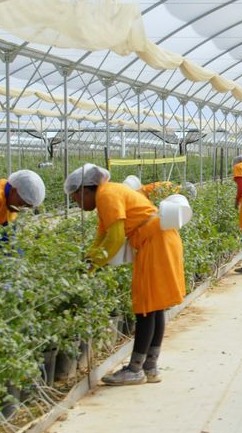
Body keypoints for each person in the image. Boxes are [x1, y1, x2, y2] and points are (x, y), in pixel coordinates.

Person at [65, 164, 185, 386]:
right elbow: (102, 235)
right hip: (159, 240)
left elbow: (116, 237)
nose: (77, 204)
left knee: (146, 307)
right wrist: (88, 262)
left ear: (84, 190)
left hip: (155, 243)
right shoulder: (108, 195)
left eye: (75, 199)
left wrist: (94, 264)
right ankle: (149, 367)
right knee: (154, 305)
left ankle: (135, 369)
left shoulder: (106, 195)